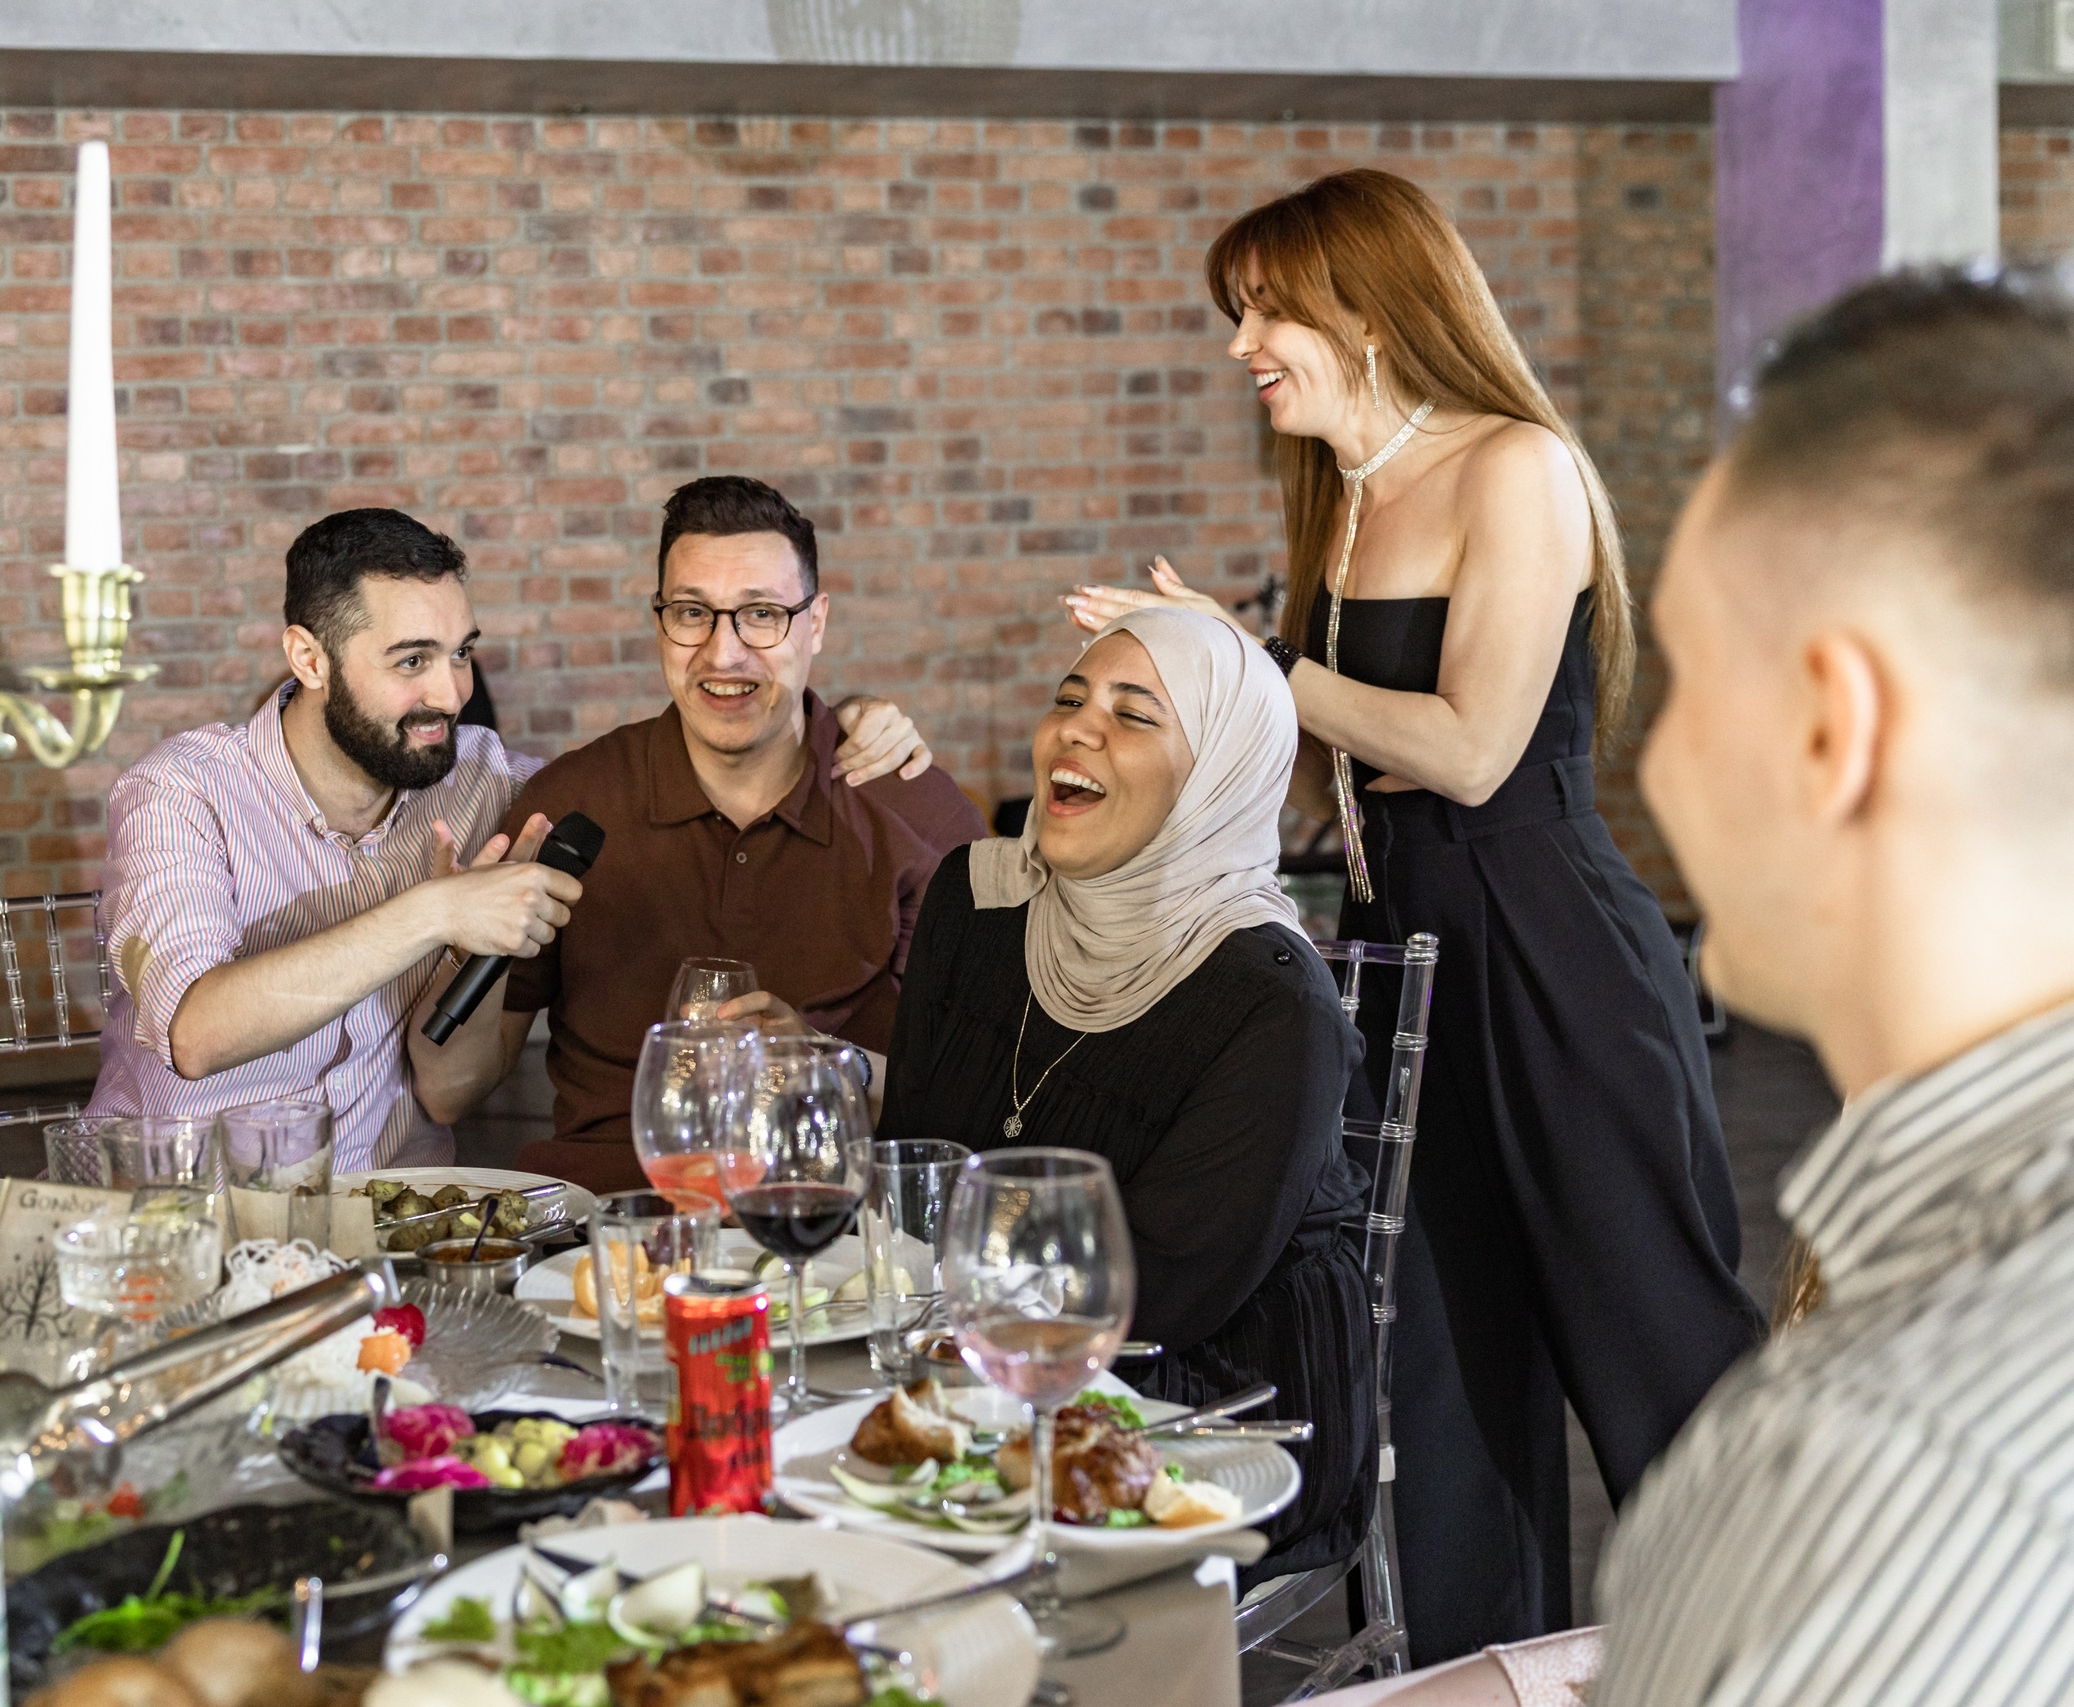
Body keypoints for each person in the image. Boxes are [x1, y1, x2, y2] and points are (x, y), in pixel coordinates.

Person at [1327, 268, 2074, 1707]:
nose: (1652, 763)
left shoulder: (1904, 1447)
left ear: (1836, 726)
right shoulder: (1915, 1276)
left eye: (1689, 678)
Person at [1067, 168, 1764, 1660]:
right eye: (1236, 313)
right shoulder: (1349, 494)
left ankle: (1800, 1660)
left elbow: (1467, 747)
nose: (1242, 343)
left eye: (1267, 310)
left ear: (1369, 312)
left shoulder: (1519, 466)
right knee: (1441, 1381)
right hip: (1408, 969)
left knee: (1657, 1352)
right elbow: (1346, 776)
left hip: (1557, 956)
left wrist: (1255, 658)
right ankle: (1467, 1673)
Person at [88, 506, 932, 1170]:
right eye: (411, 660)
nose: (452, 694)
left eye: (462, 654)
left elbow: (693, 752)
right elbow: (196, 1033)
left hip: (398, 1238)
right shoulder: (182, 791)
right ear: (308, 659)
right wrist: (433, 913)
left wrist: (843, 722)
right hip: (187, 1221)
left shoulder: (487, 782)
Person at [877, 606, 1375, 1585]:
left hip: (1219, 1400)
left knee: (884, 1510)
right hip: (988, 1357)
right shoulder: (972, 903)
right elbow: (912, 1183)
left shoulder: (1275, 1006)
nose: (1076, 728)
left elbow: (1164, 1294)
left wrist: (952, 1341)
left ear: (1219, 776)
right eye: (1069, 698)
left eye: (1133, 715)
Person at [411, 476, 987, 1193]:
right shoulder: (570, 803)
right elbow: (447, 1090)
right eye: (693, 613)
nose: (724, 653)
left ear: (817, 623)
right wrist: (468, 935)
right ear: (660, 622)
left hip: (826, 1234)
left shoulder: (917, 813)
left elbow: (989, 1090)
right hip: (604, 1231)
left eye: (761, 615)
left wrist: (828, 1064)